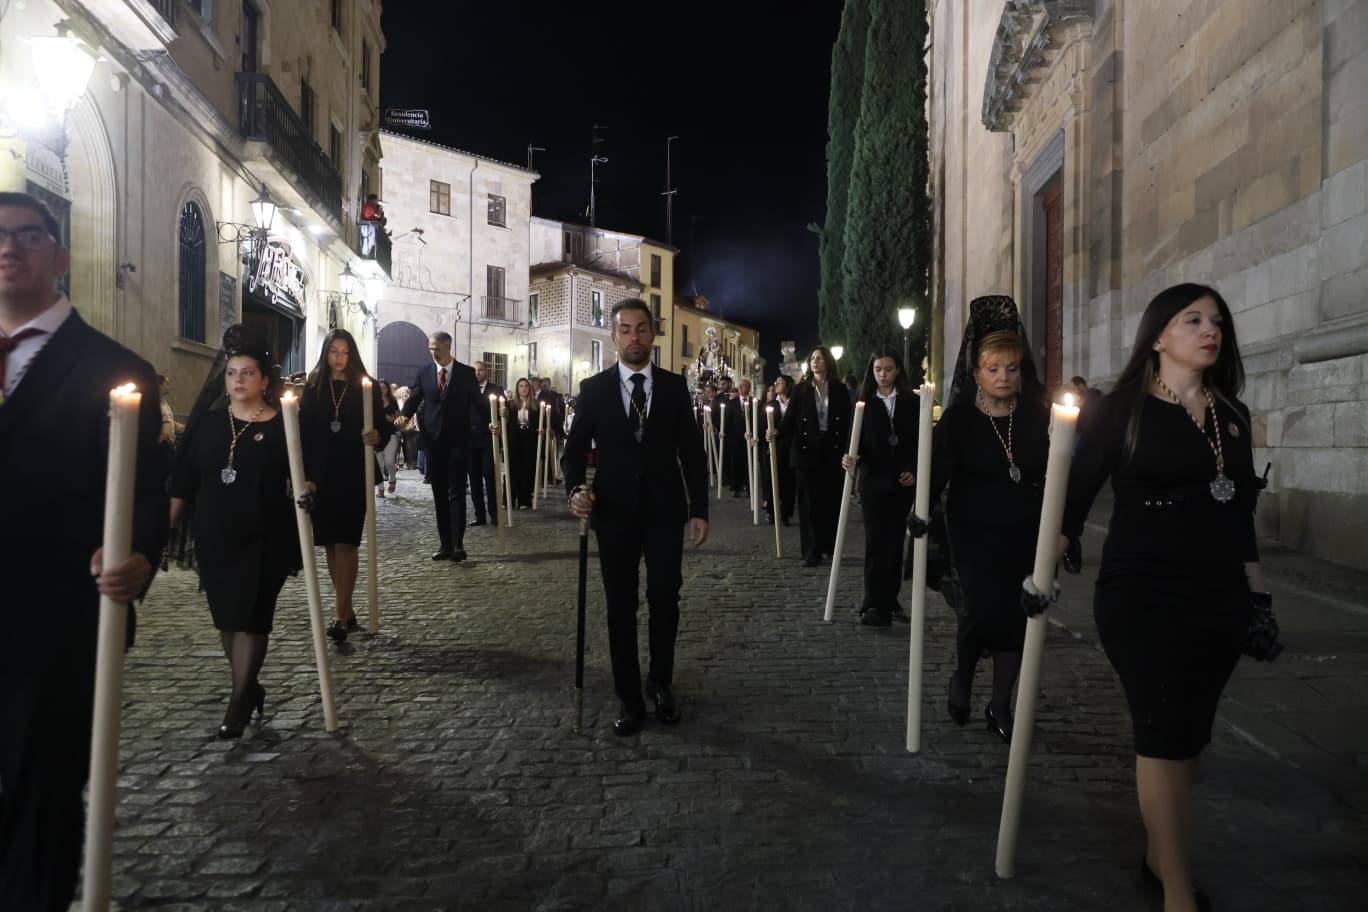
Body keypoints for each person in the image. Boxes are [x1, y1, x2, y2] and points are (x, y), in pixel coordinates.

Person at [1061, 284, 1274, 912]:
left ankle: (1159, 860)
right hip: (1139, 594)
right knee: (1160, 733)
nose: (1211, 329)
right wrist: (1043, 564)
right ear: (1158, 335)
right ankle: (1178, 892)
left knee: (1190, 739)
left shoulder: (1232, 416)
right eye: (1193, 319)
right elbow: (1068, 501)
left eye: (1217, 321)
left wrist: (1258, 599)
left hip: (1218, 597)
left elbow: (1240, 517)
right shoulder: (1120, 409)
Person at [0, 192, 168, 911]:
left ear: (60, 258)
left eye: (28, 236)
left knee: (40, 795)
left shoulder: (111, 369)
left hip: (57, 624)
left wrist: (136, 556)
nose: (9, 248)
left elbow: (142, 495)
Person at [564, 298, 709, 736]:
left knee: (665, 600)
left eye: (641, 328)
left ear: (653, 333)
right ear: (613, 336)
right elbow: (573, 452)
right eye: (625, 329)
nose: (634, 337)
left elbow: (692, 454)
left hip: (665, 512)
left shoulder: (674, 387)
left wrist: (699, 510)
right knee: (620, 607)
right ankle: (628, 695)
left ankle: (660, 683)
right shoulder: (594, 390)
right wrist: (575, 490)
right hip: (615, 514)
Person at [908, 297, 1049, 744]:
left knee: (1015, 617)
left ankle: (1001, 702)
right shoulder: (960, 421)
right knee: (978, 612)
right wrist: (921, 509)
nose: (1003, 377)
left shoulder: (1036, 418)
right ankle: (963, 678)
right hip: (972, 531)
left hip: (1023, 531)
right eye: (993, 369)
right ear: (977, 374)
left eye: (1011, 369)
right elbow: (938, 471)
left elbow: (1052, 472)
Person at [169, 324, 304, 738]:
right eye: (232, 373)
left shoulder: (285, 426)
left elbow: (304, 474)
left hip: (266, 536)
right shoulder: (209, 426)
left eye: (247, 373)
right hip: (217, 535)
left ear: (264, 380)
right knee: (228, 619)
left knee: (252, 619)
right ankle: (249, 685)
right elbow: (184, 482)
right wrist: (163, 526)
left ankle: (239, 699)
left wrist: (308, 488)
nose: (239, 381)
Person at [299, 329, 391, 641]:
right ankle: (347, 610)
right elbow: (304, 431)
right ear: (326, 354)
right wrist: (305, 475)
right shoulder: (313, 386)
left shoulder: (363, 386)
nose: (339, 358)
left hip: (354, 471)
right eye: (334, 351)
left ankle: (340, 615)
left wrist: (377, 437)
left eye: (345, 352)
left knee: (347, 542)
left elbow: (382, 426)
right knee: (329, 542)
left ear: (352, 355)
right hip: (322, 474)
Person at [841, 350, 919, 626]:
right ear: (871, 372)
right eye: (878, 369)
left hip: (901, 482)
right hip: (873, 482)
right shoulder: (864, 403)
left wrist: (914, 469)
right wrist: (851, 457)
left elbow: (919, 442)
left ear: (897, 370)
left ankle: (891, 598)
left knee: (896, 542)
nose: (883, 374)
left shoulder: (912, 402)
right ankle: (873, 602)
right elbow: (855, 441)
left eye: (888, 368)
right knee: (876, 543)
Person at [400, 330, 481, 561]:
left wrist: (491, 421)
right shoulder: (425, 373)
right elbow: (414, 399)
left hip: (458, 440)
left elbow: (478, 404)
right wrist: (404, 416)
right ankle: (444, 543)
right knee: (438, 494)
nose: (433, 352)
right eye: (430, 349)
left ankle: (458, 544)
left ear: (448, 347)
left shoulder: (466, 373)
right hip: (433, 441)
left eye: (436, 348)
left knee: (456, 490)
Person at [781, 347, 851, 567]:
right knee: (808, 503)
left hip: (832, 450)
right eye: (812, 358)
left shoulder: (839, 389)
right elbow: (790, 419)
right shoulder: (801, 389)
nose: (815, 361)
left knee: (830, 500)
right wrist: (774, 433)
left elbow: (849, 420)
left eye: (819, 358)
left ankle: (828, 546)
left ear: (828, 362)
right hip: (806, 451)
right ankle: (811, 550)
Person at [468, 361, 498, 525]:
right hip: (471, 440)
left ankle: (494, 513)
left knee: (490, 477)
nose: (477, 373)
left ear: (486, 371)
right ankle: (479, 515)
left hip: (488, 439)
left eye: (480, 370)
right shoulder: (468, 389)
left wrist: (501, 420)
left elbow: (501, 412)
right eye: (475, 371)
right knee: (474, 479)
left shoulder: (495, 390)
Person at [507, 377, 540, 508]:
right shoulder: (510, 405)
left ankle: (524, 499)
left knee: (527, 469)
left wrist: (541, 431)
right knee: (512, 469)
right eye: (521, 386)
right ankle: (509, 498)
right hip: (514, 440)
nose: (524, 388)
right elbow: (507, 424)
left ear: (529, 388)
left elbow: (538, 423)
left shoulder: (535, 405)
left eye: (526, 386)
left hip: (529, 440)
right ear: (517, 388)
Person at [770, 375, 796, 524]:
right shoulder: (772, 404)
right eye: (776, 382)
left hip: (792, 446)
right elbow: (763, 424)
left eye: (780, 382)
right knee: (775, 479)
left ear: (788, 385)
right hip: (777, 447)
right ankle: (772, 512)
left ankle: (786, 512)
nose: (776, 384)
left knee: (790, 481)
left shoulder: (795, 403)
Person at [376, 379, 401, 497]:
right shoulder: (373, 401)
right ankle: (380, 489)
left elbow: (398, 418)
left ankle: (392, 479)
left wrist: (393, 420)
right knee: (379, 464)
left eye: (384, 387)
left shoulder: (392, 401)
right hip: (377, 436)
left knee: (389, 461)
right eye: (379, 387)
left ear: (387, 389)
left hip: (391, 434)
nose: (382, 390)